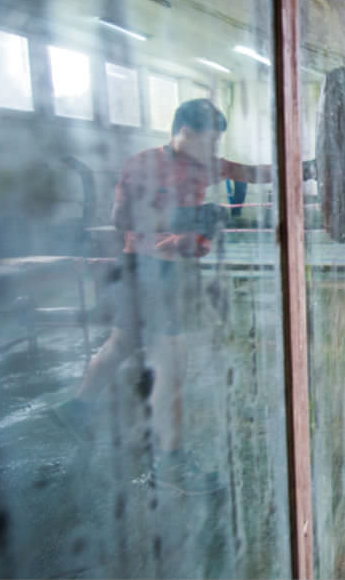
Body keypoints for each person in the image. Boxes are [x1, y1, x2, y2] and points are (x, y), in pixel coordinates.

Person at [53, 98, 277, 492]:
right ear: (185, 132)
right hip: (149, 268)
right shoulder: (143, 164)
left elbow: (252, 172)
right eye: (208, 142)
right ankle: (170, 462)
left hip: (174, 266)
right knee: (171, 368)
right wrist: (184, 217)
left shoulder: (204, 163)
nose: (213, 153)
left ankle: (76, 409)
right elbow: (122, 219)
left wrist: (309, 168)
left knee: (123, 342)